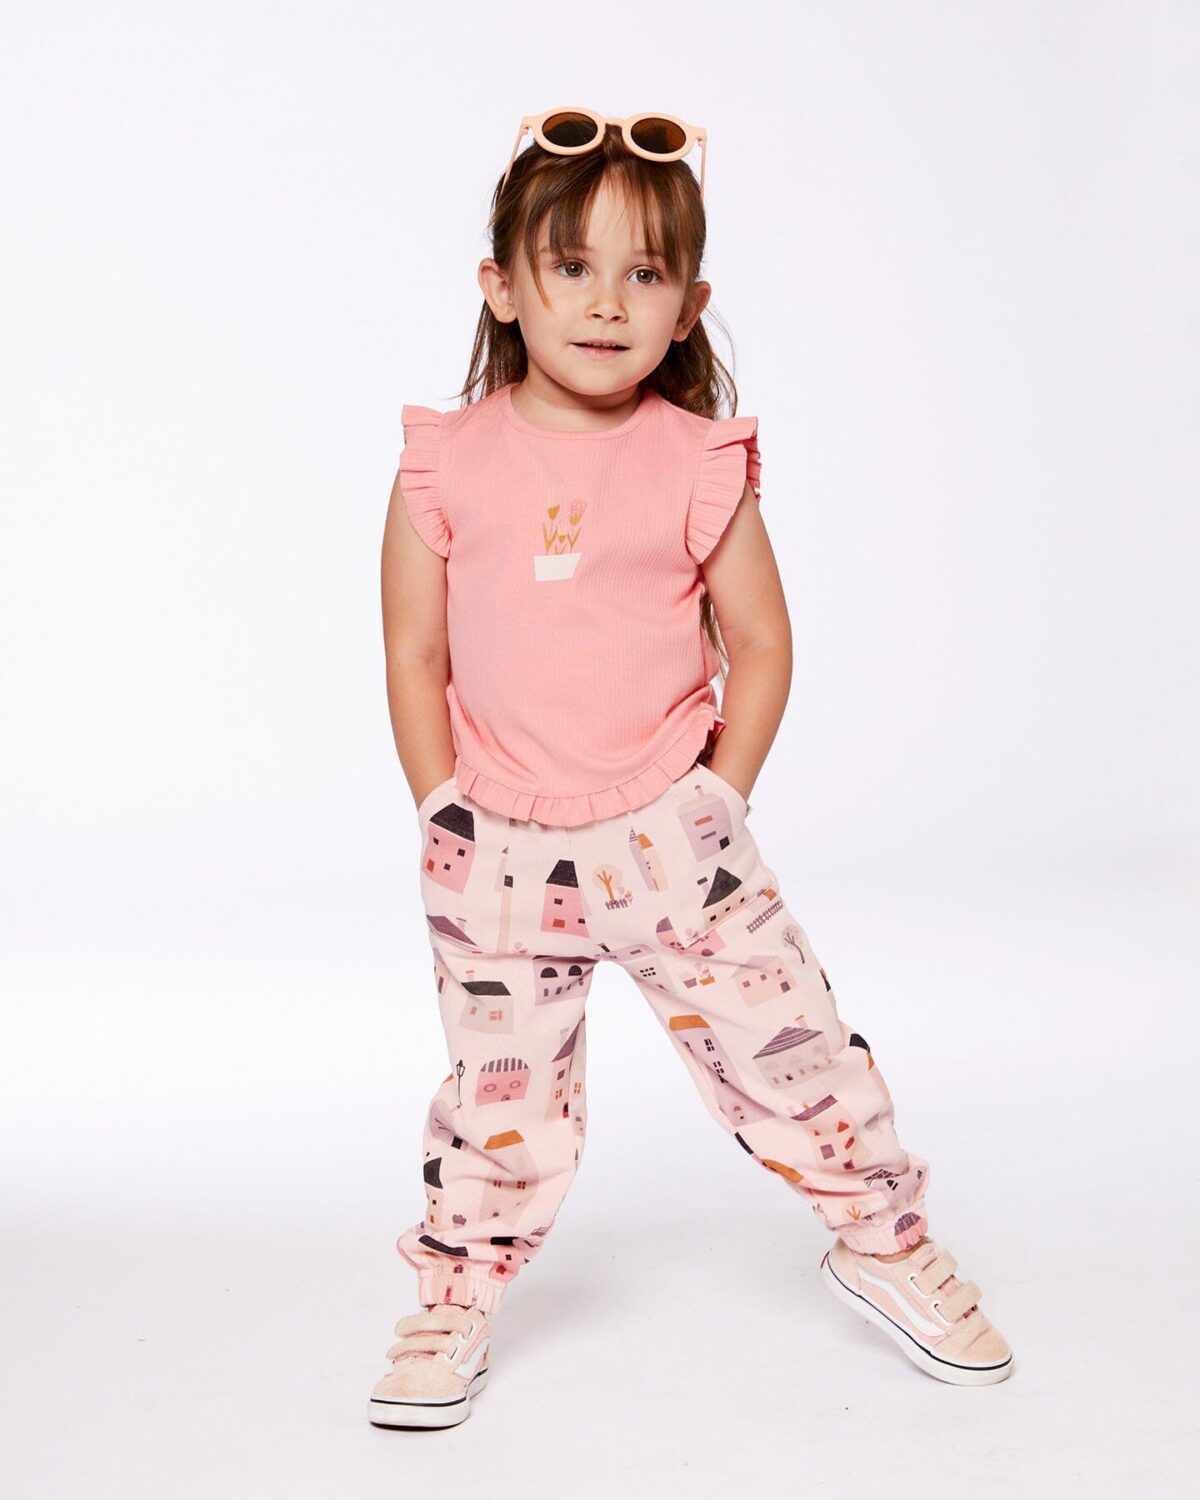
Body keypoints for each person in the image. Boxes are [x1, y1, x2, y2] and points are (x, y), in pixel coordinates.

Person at [369, 108, 1014, 1429]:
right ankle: (456, 1295)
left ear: (690, 305)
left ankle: (883, 1240)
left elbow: (762, 641)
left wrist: (718, 794)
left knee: (799, 1056)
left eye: (645, 272)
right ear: (503, 285)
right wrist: (441, 804)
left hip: (673, 835)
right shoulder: (446, 459)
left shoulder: (697, 460)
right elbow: (413, 646)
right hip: (497, 847)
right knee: (499, 1101)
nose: (608, 301)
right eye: (572, 266)